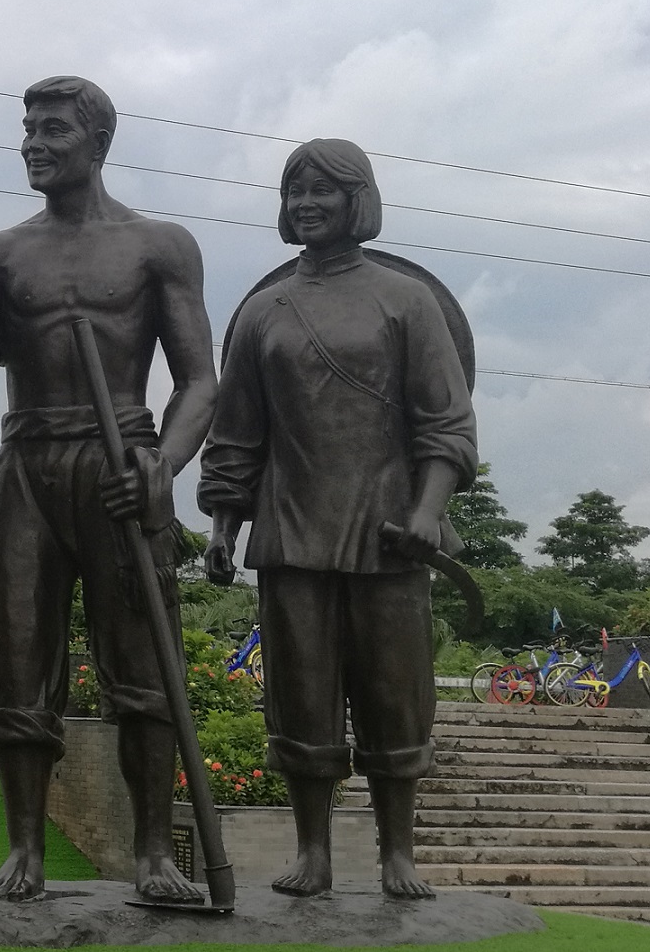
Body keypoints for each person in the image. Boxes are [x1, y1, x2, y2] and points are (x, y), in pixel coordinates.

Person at [0, 75, 217, 902]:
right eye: (28, 129)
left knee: (143, 660)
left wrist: (164, 464)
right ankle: (24, 850)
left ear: (97, 142)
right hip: (27, 465)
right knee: (16, 656)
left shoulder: (159, 245)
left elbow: (200, 381)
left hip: (121, 462)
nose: (34, 143)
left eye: (52, 129)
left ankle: (154, 853)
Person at [197, 138, 478, 899]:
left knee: (395, 693)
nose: (307, 204)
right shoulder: (263, 312)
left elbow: (446, 424)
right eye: (295, 192)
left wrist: (427, 511)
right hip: (291, 530)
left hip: (389, 533)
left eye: (323, 189)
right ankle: (313, 850)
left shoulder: (407, 301)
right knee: (300, 693)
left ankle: (398, 853)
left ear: (357, 200)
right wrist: (223, 528)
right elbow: (236, 434)